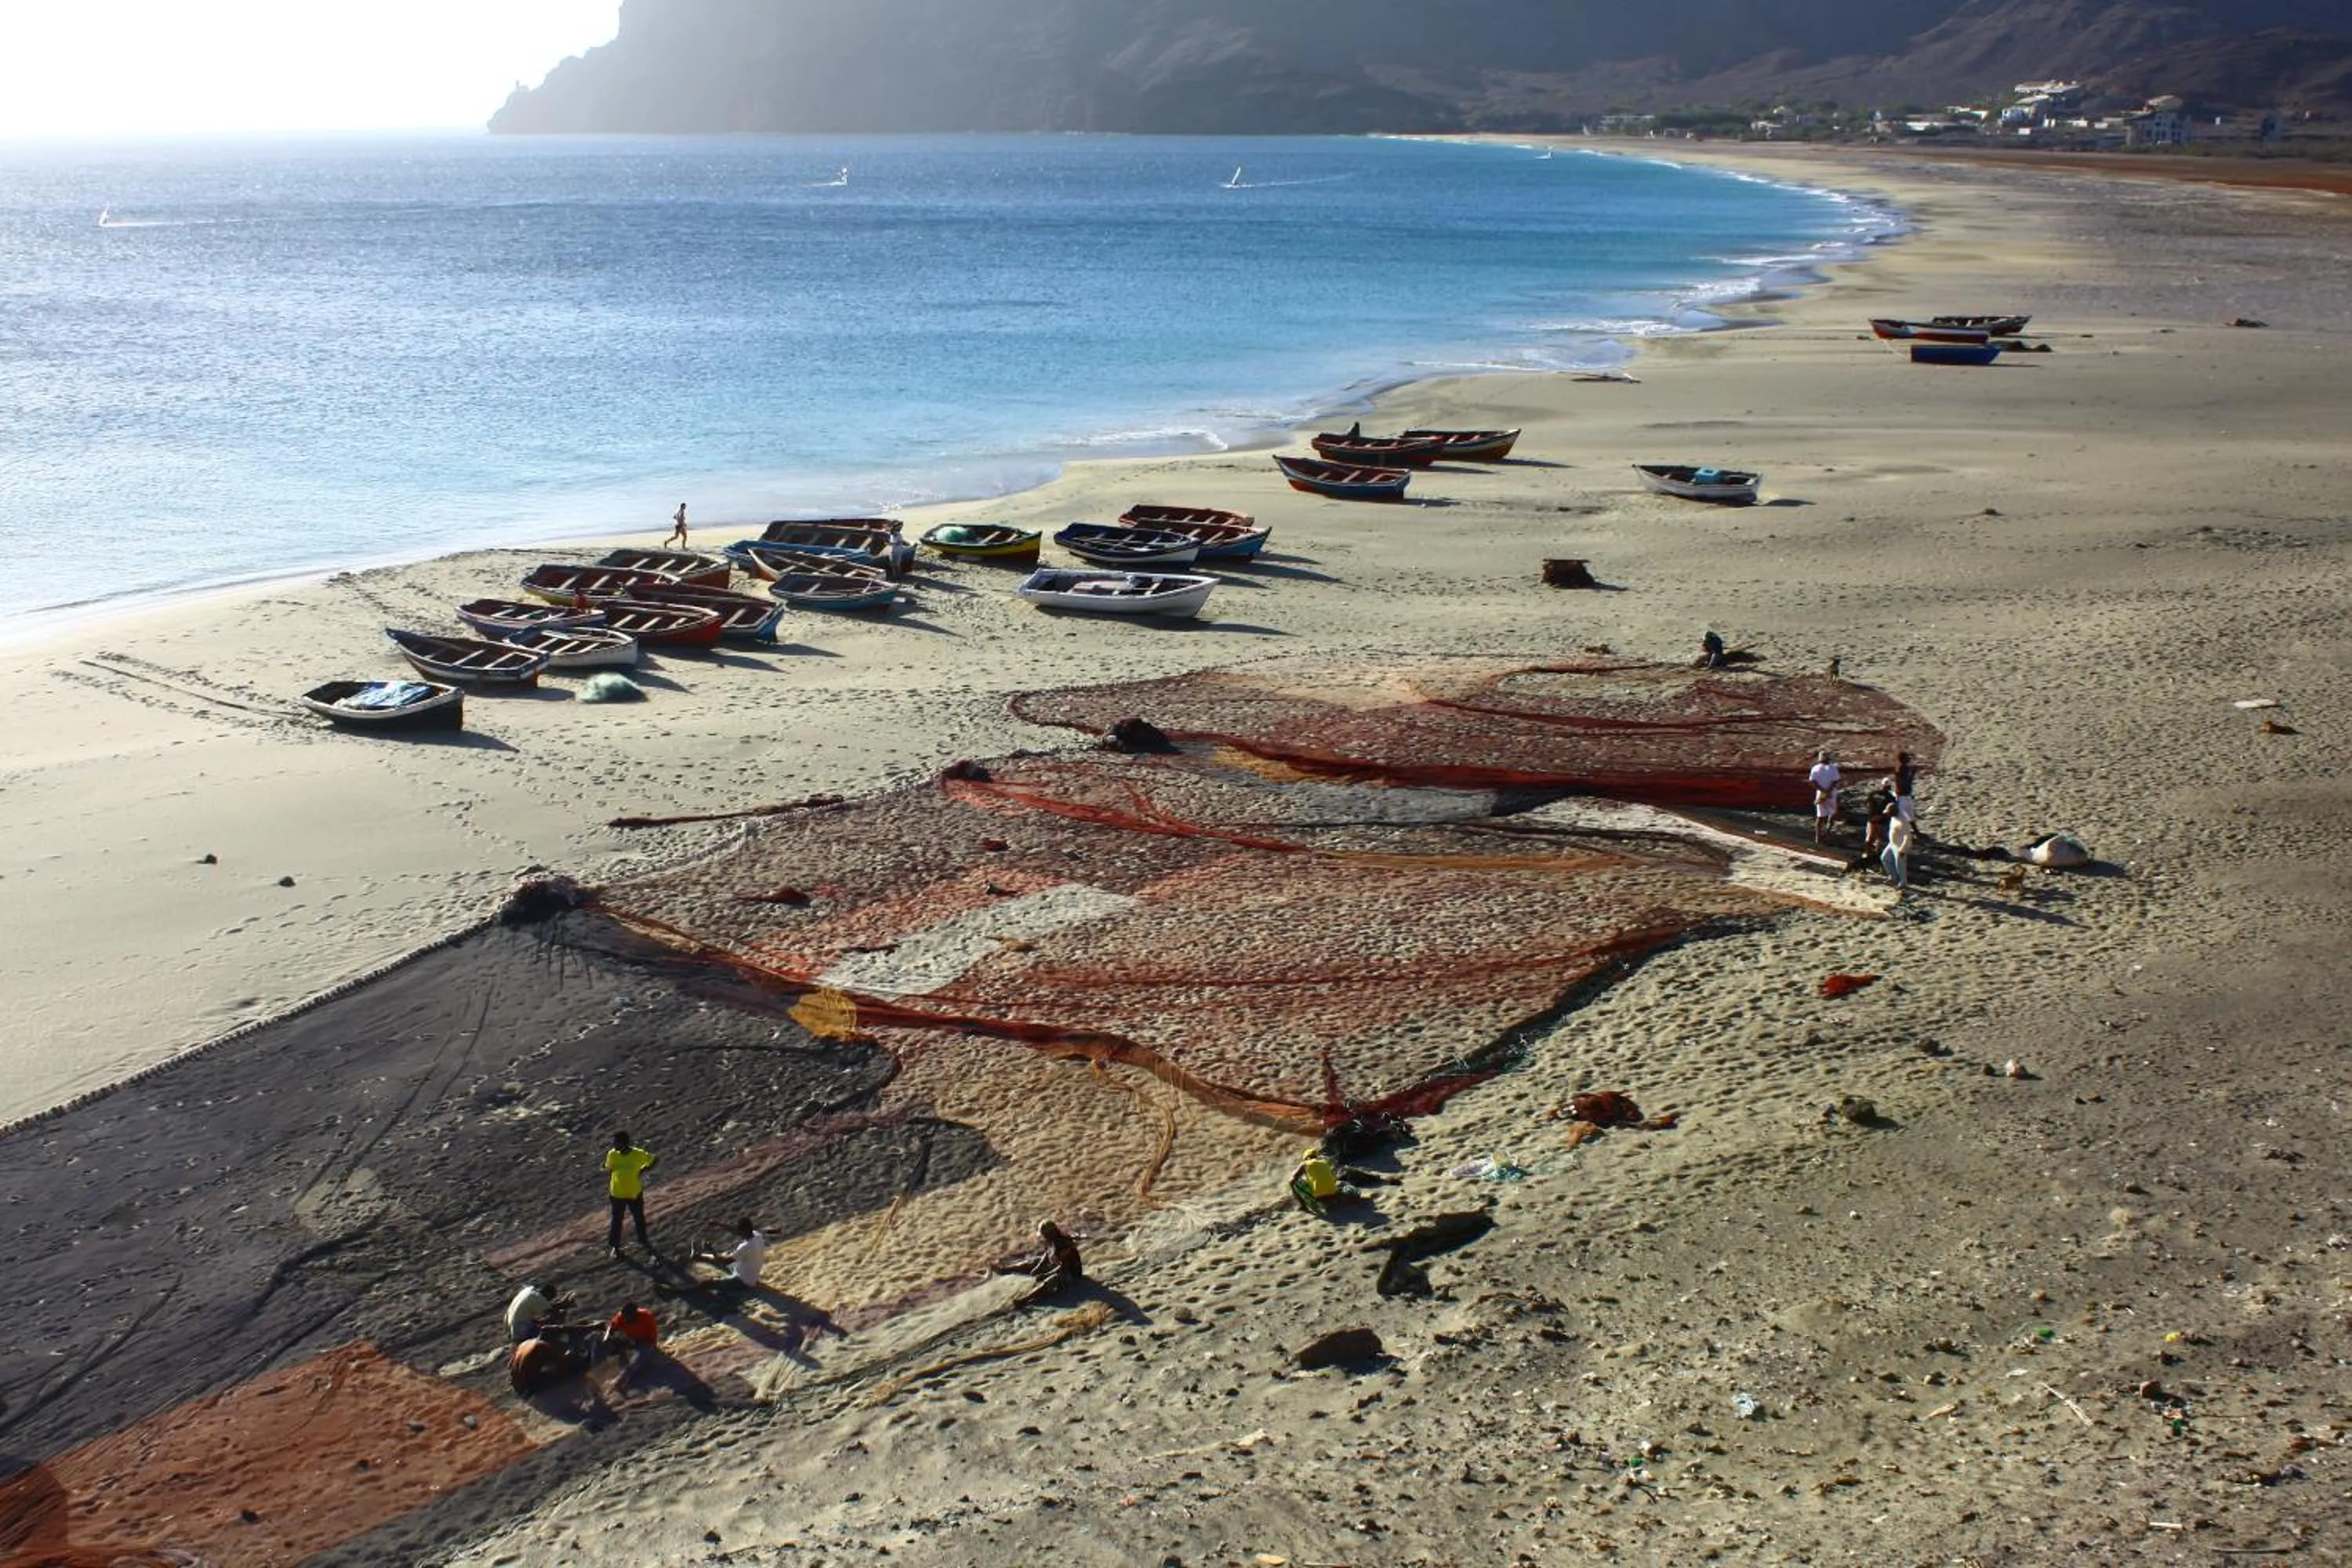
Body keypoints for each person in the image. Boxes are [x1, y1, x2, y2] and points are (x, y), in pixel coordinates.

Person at [995, 1220, 1085, 1305]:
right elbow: (1046, 1255)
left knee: (1052, 1279)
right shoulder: (1050, 1241)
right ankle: (1005, 1269)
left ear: (1051, 1233)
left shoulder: (1064, 1245)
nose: (1043, 1237)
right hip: (1056, 1264)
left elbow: (1064, 1266)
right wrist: (1038, 1267)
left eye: (1045, 1234)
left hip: (1071, 1273)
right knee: (1034, 1261)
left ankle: (1024, 1300)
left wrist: (1046, 1275)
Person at [604, 1131, 659, 1259]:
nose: (613, 1145)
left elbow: (654, 1159)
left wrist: (644, 1169)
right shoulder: (612, 1154)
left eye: (616, 1143)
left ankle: (643, 1240)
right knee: (617, 1221)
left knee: (639, 1218)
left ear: (623, 1143)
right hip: (617, 1194)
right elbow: (610, 1170)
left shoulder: (637, 1154)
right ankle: (615, 1247)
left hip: (634, 1193)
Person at [691, 1216, 772, 1295]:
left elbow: (725, 1262)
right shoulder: (757, 1235)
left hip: (742, 1281)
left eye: (740, 1231)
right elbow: (736, 1232)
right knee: (720, 1257)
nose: (739, 1233)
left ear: (743, 1231)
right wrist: (719, 1224)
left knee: (706, 1283)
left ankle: (687, 1289)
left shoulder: (746, 1247)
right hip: (748, 1273)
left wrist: (712, 1250)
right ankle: (697, 1256)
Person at [509, 1333, 590, 1397]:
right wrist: (570, 1356)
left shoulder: (525, 1343)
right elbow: (561, 1365)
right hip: (529, 1387)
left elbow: (510, 1365)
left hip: (516, 1383)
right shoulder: (543, 1346)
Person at [606, 1300, 659, 1390]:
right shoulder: (621, 1317)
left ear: (635, 1315)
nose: (625, 1320)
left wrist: (642, 1348)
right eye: (624, 1317)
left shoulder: (647, 1317)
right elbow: (612, 1328)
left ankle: (622, 1379)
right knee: (613, 1344)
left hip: (645, 1341)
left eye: (628, 1318)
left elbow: (651, 1339)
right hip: (631, 1339)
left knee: (639, 1359)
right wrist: (607, 1338)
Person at [503, 1281, 575, 1344]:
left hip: (510, 1325)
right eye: (550, 1299)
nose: (549, 1301)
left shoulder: (528, 1290)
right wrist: (564, 1306)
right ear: (548, 1295)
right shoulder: (540, 1299)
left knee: (540, 1323)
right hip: (521, 1331)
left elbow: (548, 1307)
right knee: (551, 1333)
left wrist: (560, 1304)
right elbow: (553, 1311)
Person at [1807, 749, 1842, 846]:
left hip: (1821, 793)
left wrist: (1823, 791)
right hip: (1831, 793)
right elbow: (1835, 781)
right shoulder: (1833, 768)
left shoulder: (1815, 768)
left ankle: (1818, 837)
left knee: (1820, 816)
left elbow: (1813, 781)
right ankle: (1827, 833)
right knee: (1832, 813)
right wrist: (1828, 791)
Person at [1882, 805, 1915, 894]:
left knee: (1900, 865)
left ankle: (1903, 883)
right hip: (1892, 843)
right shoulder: (1894, 818)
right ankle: (1893, 877)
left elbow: (1907, 837)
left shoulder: (1902, 822)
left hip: (1900, 846)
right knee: (1885, 858)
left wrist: (1902, 849)